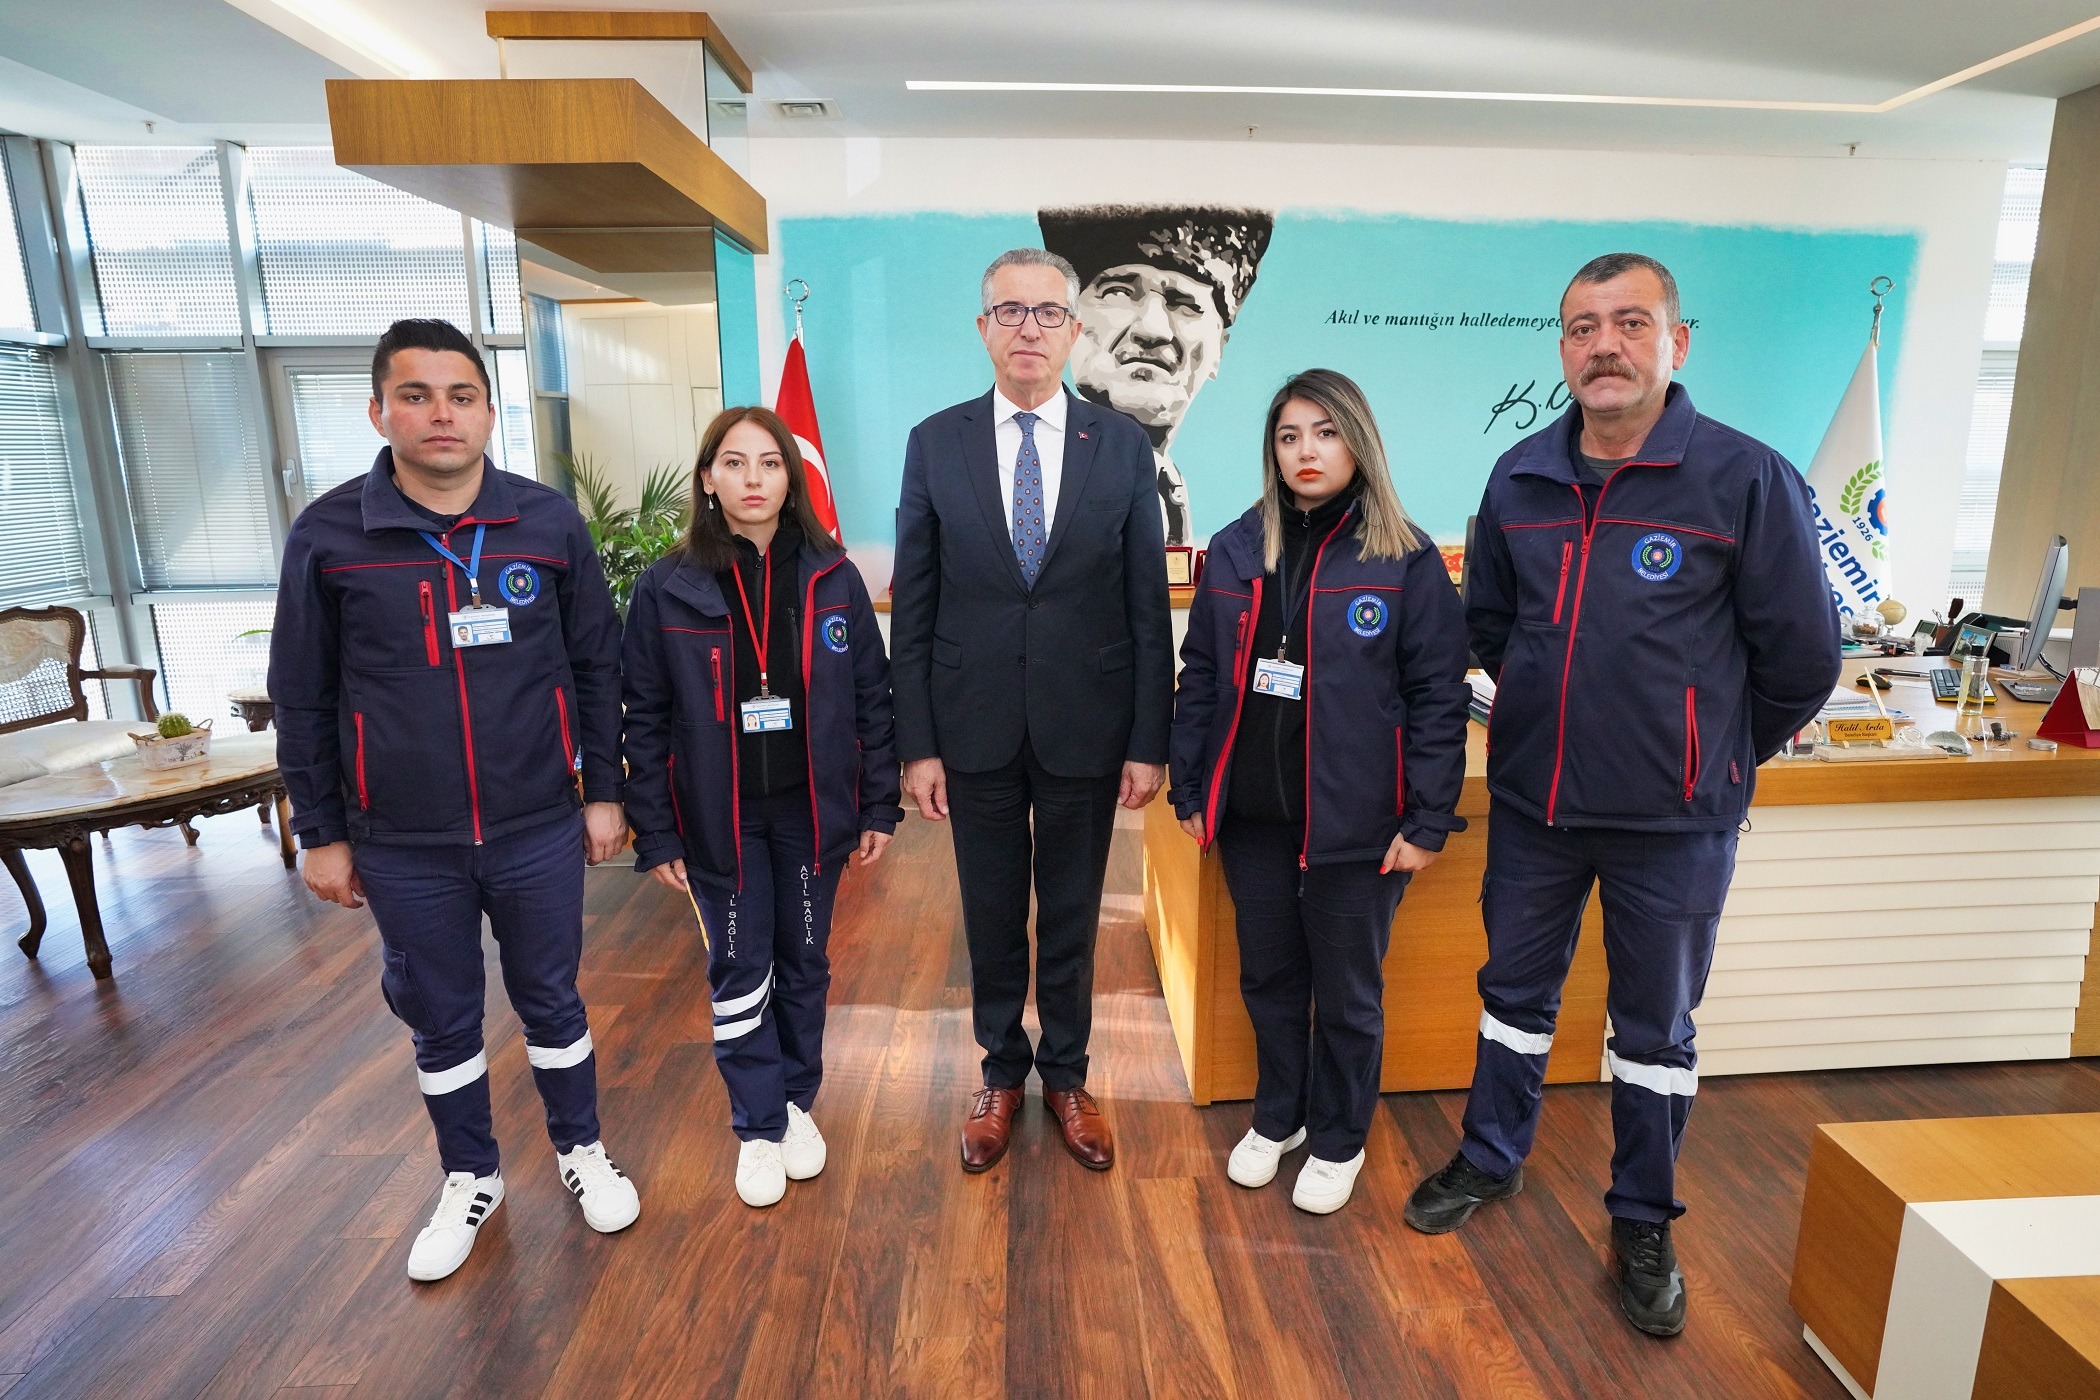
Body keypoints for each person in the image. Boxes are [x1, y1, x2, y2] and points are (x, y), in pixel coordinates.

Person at [1402, 254, 1841, 1336]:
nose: (1605, 344)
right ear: (1562, 349)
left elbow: (1803, 657)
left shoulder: (1747, 478)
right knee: (1513, 997)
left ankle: (1644, 1214)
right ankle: (1493, 1153)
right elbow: (1491, 631)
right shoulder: (1518, 480)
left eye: (1630, 322)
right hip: (1540, 811)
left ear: (1675, 342)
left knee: (1654, 1027)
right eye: (1583, 326)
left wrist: (1717, 753)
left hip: (1676, 824)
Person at [271, 318, 640, 1284]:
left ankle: (580, 1149)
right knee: (440, 1016)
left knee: (553, 998)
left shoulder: (547, 524)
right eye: (418, 395)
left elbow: (597, 667)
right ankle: (470, 1175)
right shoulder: (330, 536)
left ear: (488, 408)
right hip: (401, 839)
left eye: (461, 396)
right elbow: (303, 693)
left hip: (536, 824)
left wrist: (604, 793)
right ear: (379, 410)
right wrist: (321, 833)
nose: (442, 415)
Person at [891, 247, 1174, 1174]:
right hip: (969, 726)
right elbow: (917, 601)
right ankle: (1000, 1074)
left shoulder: (1123, 446)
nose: (1027, 328)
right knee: (988, 912)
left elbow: (1145, 604)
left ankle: (1067, 1074)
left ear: (1074, 330)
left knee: (1072, 915)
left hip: (1086, 725)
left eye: (1047, 313)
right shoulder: (935, 441)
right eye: (1008, 312)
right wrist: (917, 744)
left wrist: (1148, 738)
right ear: (982, 329)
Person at [1167, 369, 1470, 1214]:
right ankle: (1280, 1116)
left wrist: (1428, 819)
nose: (1307, 451)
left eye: (1326, 432)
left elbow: (1440, 698)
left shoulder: (1404, 559)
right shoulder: (1235, 546)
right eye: (1290, 435)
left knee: (1346, 991)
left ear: (1358, 443)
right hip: (1254, 817)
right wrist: (1190, 786)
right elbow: (1200, 679)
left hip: (1358, 827)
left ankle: (1339, 1137)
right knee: (1268, 978)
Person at [620, 407, 901, 1208]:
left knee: (805, 957)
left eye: (769, 464)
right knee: (742, 966)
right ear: (707, 477)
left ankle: (795, 1103)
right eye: (734, 463)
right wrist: (656, 828)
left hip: (813, 814)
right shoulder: (666, 585)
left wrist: (878, 806)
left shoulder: (832, 576)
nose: (753, 479)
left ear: (792, 476)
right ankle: (755, 1123)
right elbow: (641, 712)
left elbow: (873, 699)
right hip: (721, 820)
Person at [1039, 206, 1274, 546]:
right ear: (1070, 324)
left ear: (1218, 351)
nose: (1153, 329)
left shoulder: (1178, 499)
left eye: (1185, 304)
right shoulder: (1022, 473)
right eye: (1119, 291)